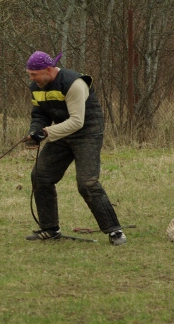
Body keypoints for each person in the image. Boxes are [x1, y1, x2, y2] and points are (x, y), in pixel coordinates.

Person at [24, 50, 126, 246]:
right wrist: (34, 132)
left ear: (48, 70)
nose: (31, 78)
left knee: (87, 183)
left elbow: (77, 122)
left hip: (87, 132)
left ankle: (115, 231)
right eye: (29, 74)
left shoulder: (75, 83)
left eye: (34, 74)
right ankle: (50, 229)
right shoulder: (36, 86)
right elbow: (39, 114)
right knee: (41, 176)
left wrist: (45, 133)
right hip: (61, 132)